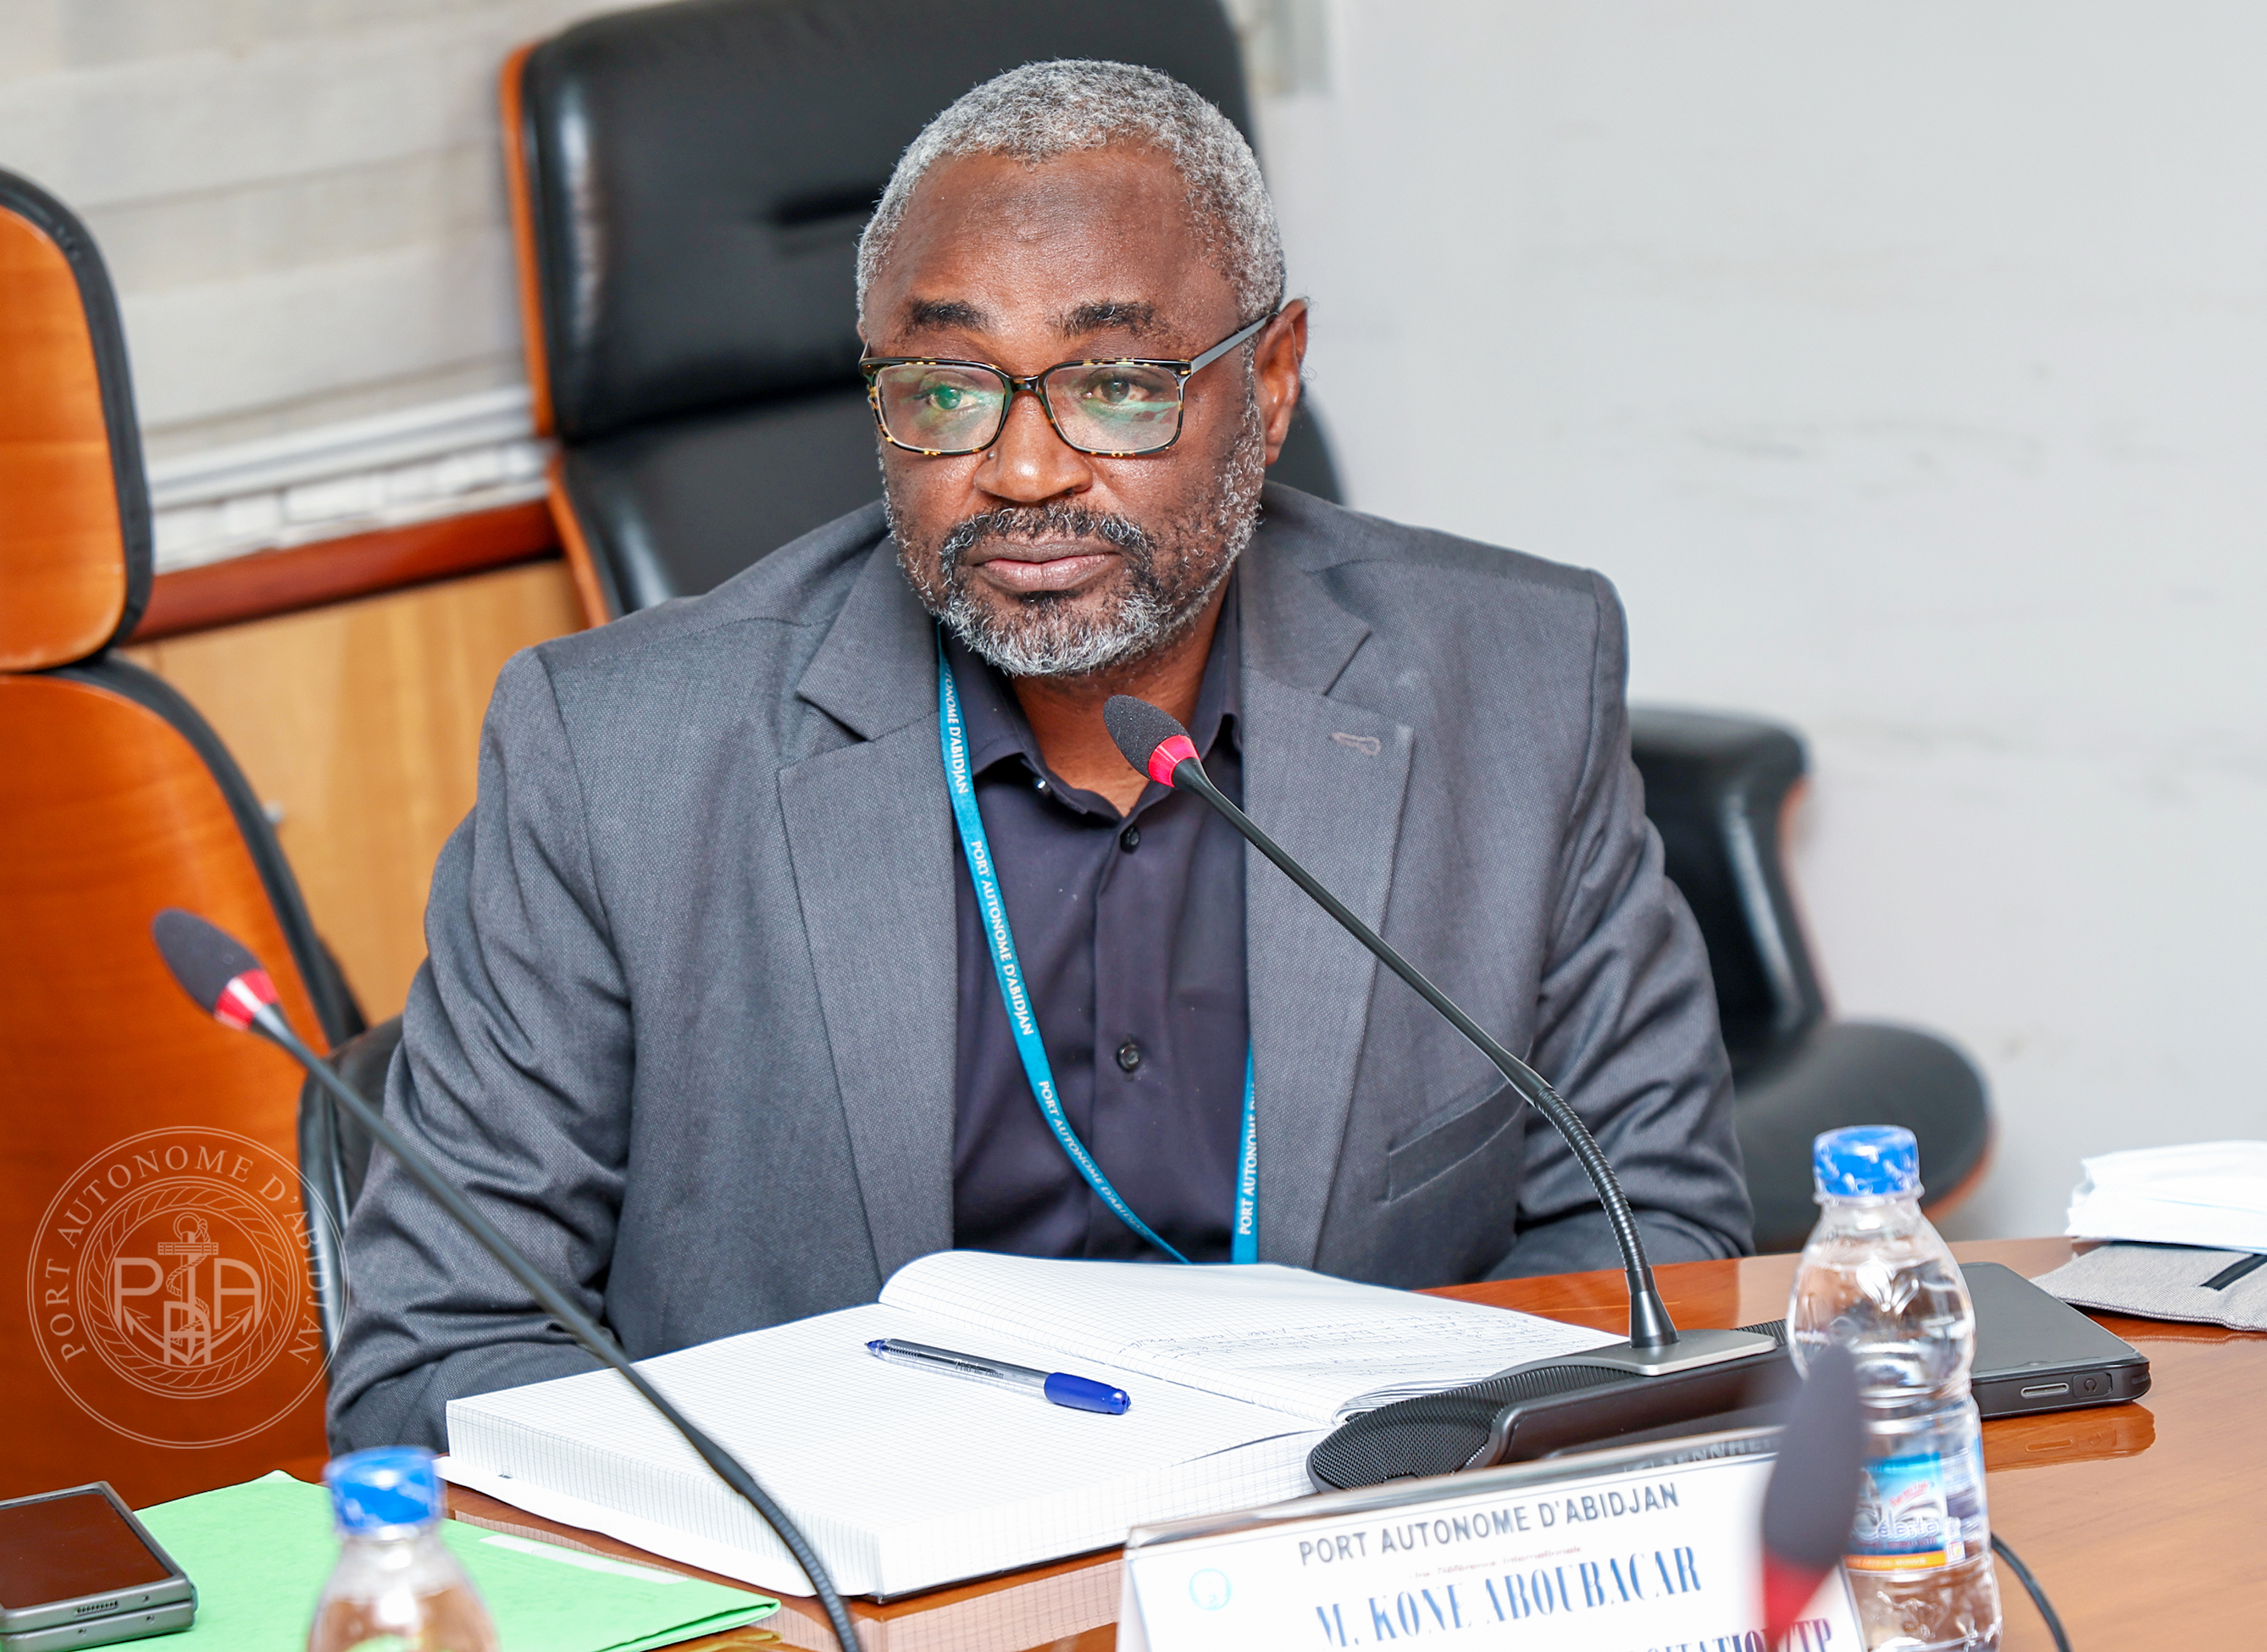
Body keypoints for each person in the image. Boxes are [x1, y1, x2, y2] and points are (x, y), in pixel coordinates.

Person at [330, 60, 1750, 1451]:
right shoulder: (614, 754)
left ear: (1270, 380)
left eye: (1119, 385)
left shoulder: (1515, 680)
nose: (1022, 472)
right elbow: (438, 1352)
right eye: (947, 390)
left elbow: (1651, 1240)